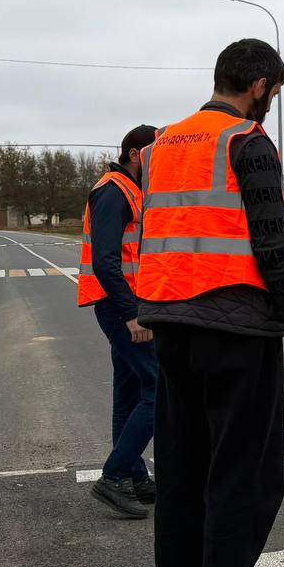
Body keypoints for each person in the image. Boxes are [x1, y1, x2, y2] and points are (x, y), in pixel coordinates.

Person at [137, 38, 284, 567]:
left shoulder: (165, 142)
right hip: (235, 328)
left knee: (184, 472)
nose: (270, 105)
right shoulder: (245, 142)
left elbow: (157, 230)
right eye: (272, 94)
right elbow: (274, 246)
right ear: (259, 87)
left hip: (170, 323)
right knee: (243, 476)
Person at [78, 124, 159, 519]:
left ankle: (131, 475)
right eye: (153, 151)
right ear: (133, 154)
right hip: (121, 306)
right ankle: (113, 476)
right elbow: (105, 261)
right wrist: (133, 314)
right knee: (159, 388)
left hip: (127, 302)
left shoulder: (133, 191)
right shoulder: (113, 192)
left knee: (129, 392)